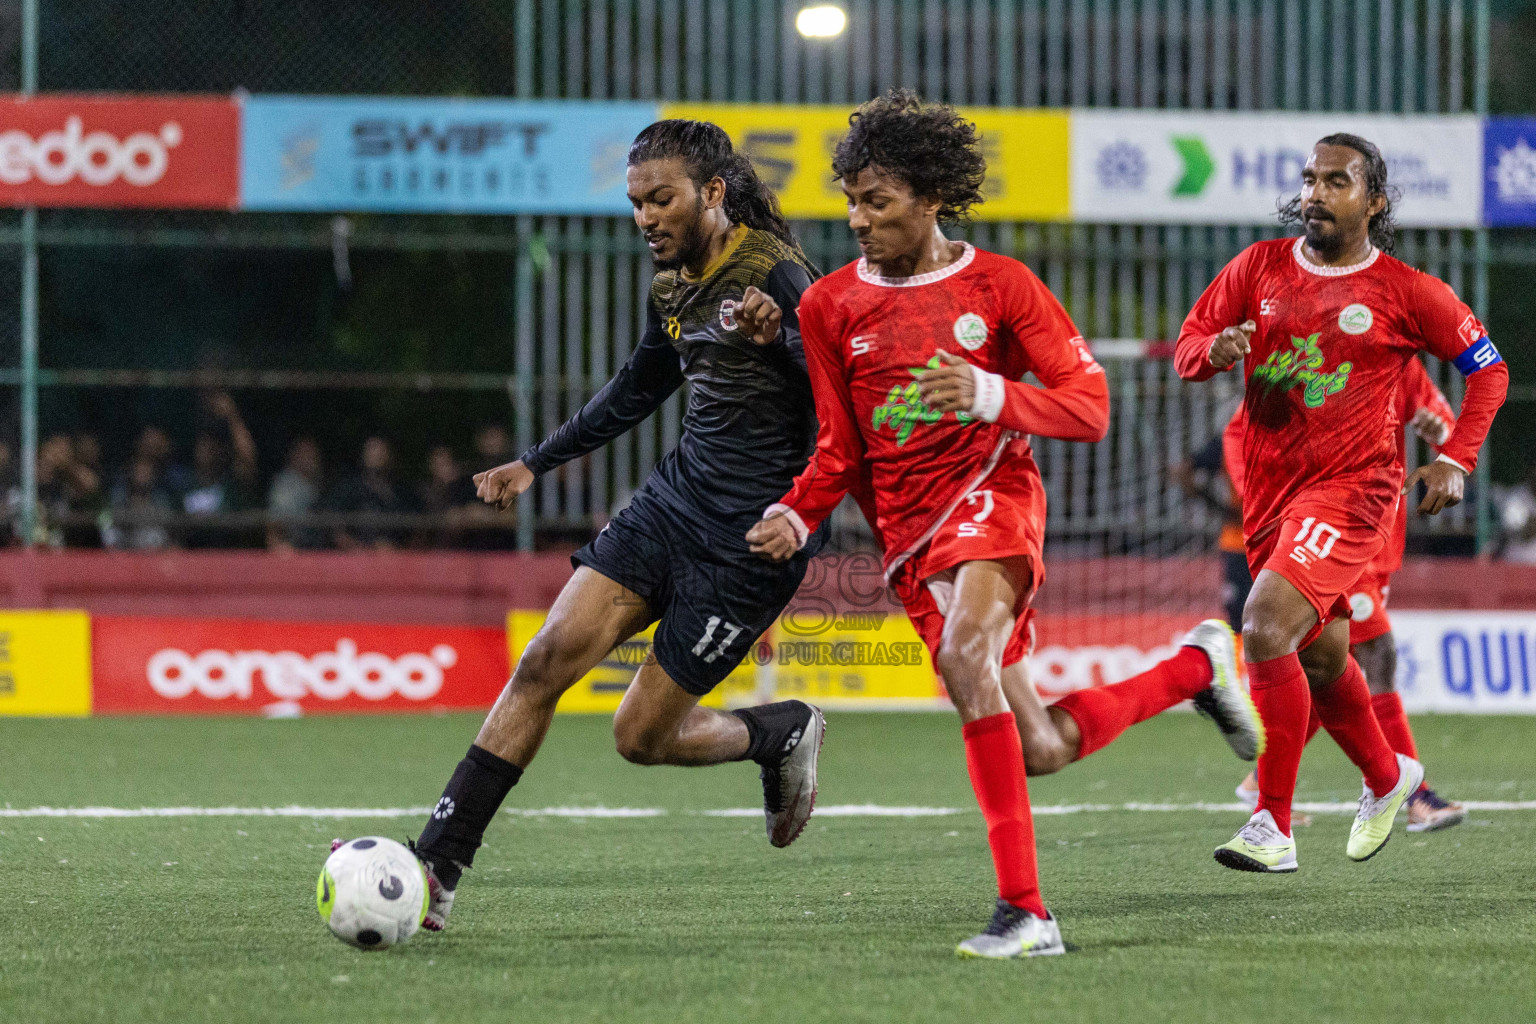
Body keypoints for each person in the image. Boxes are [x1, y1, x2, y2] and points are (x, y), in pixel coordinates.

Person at [746, 90, 1262, 959]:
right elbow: (838, 447)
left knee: (964, 654)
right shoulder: (829, 306)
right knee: (1046, 747)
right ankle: (1194, 667)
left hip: (994, 502)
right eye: (851, 202)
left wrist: (991, 393)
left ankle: (1027, 912)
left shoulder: (1002, 285)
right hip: (907, 540)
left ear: (930, 197)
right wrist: (796, 515)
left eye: (879, 202)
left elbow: (1089, 406)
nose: (858, 220)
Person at [405, 119, 825, 933]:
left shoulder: (781, 279)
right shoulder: (670, 286)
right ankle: (437, 864)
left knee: (639, 738)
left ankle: (780, 732)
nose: (645, 218)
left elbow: (839, 408)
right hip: (669, 507)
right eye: (635, 203)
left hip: (747, 546)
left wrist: (803, 513)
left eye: (661, 200)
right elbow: (637, 387)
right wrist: (537, 461)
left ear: (713, 193)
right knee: (543, 662)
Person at [1175, 133, 1508, 873]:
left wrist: (1455, 458)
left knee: (1263, 627)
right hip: (1270, 500)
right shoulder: (1257, 267)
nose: (1316, 194)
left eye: (1336, 181)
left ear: (1374, 201)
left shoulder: (1406, 290)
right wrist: (1212, 352)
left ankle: (1271, 822)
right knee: (1323, 659)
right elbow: (1188, 343)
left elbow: (1489, 370)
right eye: (1309, 180)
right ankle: (1392, 779)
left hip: (1354, 493)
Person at [1232, 359, 1468, 833]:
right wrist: (1263, 502)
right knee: (1376, 653)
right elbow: (1239, 433)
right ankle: (1413, 794)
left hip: (1378, 535)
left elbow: (1450, 435)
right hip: (1325, 530)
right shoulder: (1313, 355)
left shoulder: (1403, 364)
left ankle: (1262, 781)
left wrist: (1439, 432)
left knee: (1330, 665)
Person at [1172, 411, 1249, 631]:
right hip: (1244, 542)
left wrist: (1222, 509)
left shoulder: (1231, 438)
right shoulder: (1231, 439)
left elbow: (1181, 472)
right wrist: (1222, 509)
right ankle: (1242, 664)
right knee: (1242, 619)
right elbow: (1182, 472)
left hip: (1264, 542)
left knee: (1256, 617)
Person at [327, 436, 413, 549]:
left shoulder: (401, 492)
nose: (377, 455)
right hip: (357, 559)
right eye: (372, 450)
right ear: (364, 455)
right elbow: (335, 529)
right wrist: (364, 549)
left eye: (381, 451)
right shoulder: (348, 488)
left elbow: (417, 529)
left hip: (396, 558)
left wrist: (397, 550)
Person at [267, 437, 326, 551]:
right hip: (292, 548)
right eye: (305, 453)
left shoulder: (318, 483)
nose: (310, 458)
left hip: (315, 549)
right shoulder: (285, 484)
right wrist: (278, 548)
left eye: (313, 454)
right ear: (294, 456)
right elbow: (273, 524)